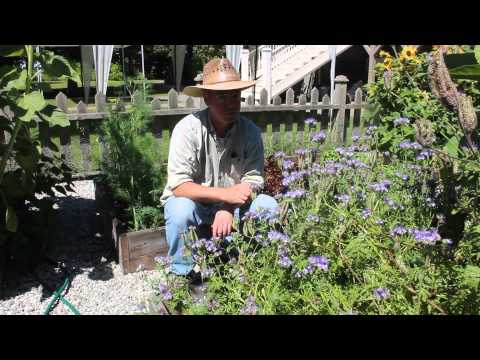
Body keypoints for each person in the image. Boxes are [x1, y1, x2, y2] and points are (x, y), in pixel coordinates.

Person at [160, 58, 279, 277]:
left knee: (268, 205)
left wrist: (227, 207)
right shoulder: (187, 130)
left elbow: (253, 179)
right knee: (179, 210)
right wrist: (226, 195)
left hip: (233, 206)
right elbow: (179, 186)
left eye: (234, 95)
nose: (231, 103)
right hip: (195, 206)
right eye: (222, 96)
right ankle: (182, 274)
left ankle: (254, 267)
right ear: (207, 97)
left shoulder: (250, 132)